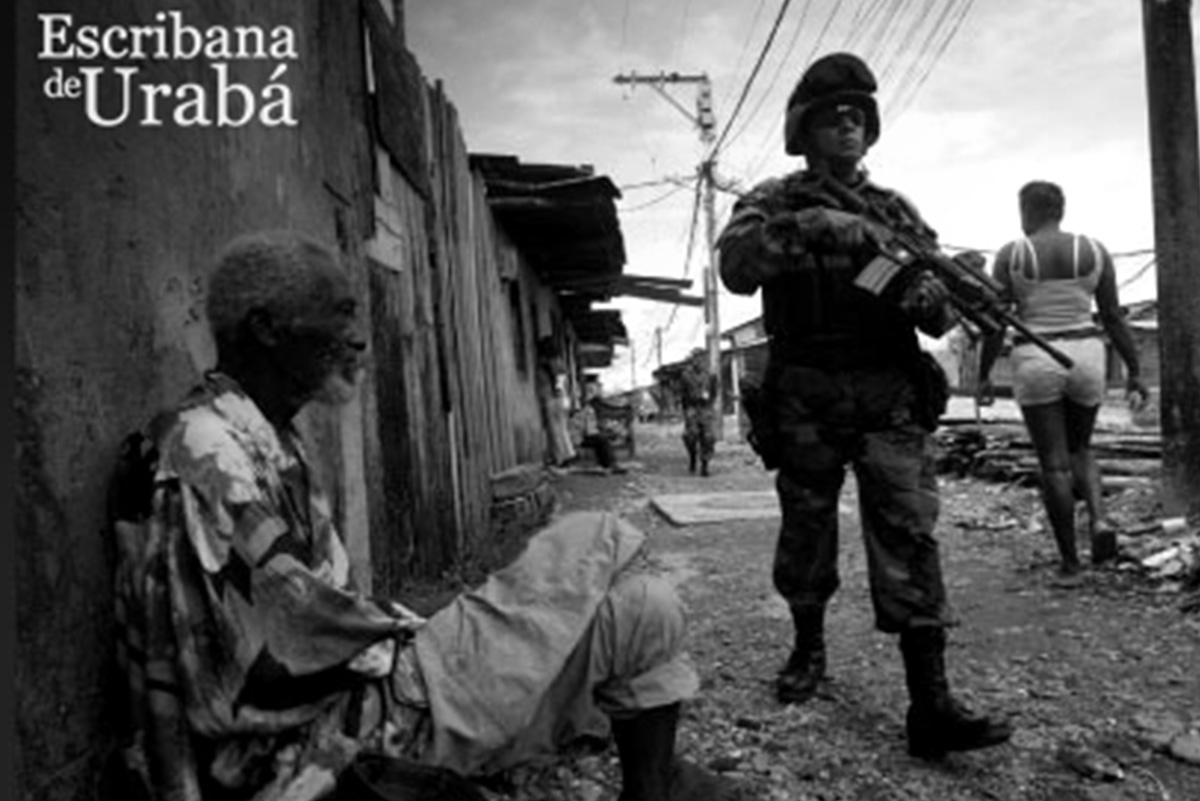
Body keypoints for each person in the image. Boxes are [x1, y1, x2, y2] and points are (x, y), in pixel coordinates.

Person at [109, 230, 733, 801]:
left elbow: (307, 615)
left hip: (369, 698)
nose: (358, 337)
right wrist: (422, 633)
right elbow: (278, 657)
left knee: (643, 603)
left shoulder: (264, 438)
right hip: (340, 734)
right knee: (592, 542)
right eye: (339, 313)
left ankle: (653, 786)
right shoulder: (210, 453)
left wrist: (434, 626)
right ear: (267, 328)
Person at [715, 52, 1012, 759]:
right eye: (832, 118)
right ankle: (808, 648)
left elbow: (936, 312)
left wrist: (927, 298)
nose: (847, 127)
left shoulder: (894, 214)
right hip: (807, 391)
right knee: (807, 529)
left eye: (857, 117)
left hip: (887, 392)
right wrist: (814, 225)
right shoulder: (773, 201)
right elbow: (736, 268)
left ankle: (930, 704)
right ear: (804, 131)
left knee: (909, 533)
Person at [978, 181, 1148, 581]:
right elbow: (1112, 317)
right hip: (1087, 354)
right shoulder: (1094, 250)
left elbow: (995, 322)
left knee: (1053, 464)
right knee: (1081, 448)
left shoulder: (1012, 254)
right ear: (1061, 210)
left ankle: (1071, 563)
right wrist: (1134, 372)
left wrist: (983, 374)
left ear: (1026, 211)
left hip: (1036, 357)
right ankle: (1100, 520)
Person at [536, 336, 577, 467]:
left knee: (555, 429)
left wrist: (557, 391)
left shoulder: (552, 362)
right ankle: (567, 454)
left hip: (554, 398)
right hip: (562, 398)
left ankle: (562, 457)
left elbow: (559, 378)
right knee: (561, 427)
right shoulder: (559, 362)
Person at [679, 348, 717, 476]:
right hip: (692, 408)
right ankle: (692, 457)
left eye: (702, 358)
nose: (699, 361)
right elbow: (682, 394)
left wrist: (709, 404)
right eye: (696, 358)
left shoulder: (710, 375)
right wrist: (686, 411)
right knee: (691, 435)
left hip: (705, 408)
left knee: (708, 437)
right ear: (692, 360)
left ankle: (705, 464)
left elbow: (714, 392)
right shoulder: (685, 375)